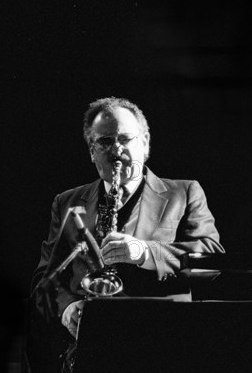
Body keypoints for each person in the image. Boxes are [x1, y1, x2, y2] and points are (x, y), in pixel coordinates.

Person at [24, 97, 225, 372]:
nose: (116, 150)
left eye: (125, 139)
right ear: (91, 152)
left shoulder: (185, 192)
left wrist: (145, 252)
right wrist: (67, 308)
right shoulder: (67, 202)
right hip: (90, 353)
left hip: (164, 350)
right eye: (105, 142)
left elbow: (212, 256)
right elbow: (45, 280)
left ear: (145, 142)